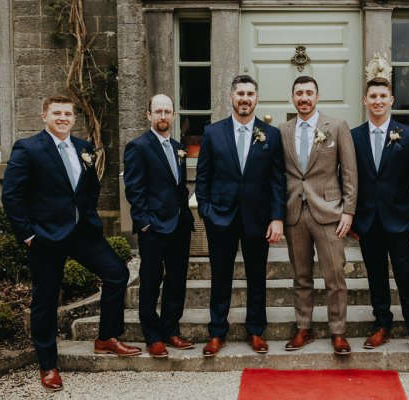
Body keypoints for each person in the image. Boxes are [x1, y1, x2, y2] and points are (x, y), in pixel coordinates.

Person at [2, 95, 141, 392]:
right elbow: (12, 196)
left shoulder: (83, 148)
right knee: (46, 298)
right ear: (44, 116)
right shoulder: (27, 149)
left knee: (117, 273)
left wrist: (88, 214)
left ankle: (106, 338)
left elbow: (91, 187)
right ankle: (48, 364)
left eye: (67, 113)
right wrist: (28, 235)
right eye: (57, 113)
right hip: (46, 237)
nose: (63, 118)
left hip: (81, 233)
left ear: (73, 118)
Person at [195, 75, 286, 357]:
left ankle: (256, 331)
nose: (245, 99)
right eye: (240, 94)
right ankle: (217, 332)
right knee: (220, 276)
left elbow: (277, 181)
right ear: (232, 98)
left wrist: (276, 217)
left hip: (257, 219)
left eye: (250, 94)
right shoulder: (212, 132)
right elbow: (203, 178)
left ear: (256, 99)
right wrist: (207, 211)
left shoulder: (270, 135)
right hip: (220, 217)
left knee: (256, 276)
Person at [349, 60, 409, 355]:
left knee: (406, 274)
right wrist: (353, 219)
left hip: (402, 221)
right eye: (373, 97)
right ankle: (382, 324)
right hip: (368, 222)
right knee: (375, 275)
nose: (378, 101)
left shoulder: (407, 136)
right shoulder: (353, 136)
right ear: (365, 101)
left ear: (391, 100)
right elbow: (349, 180)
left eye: (383, 96)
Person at [279, 76, 357, 355]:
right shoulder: (282, 130)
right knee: (301, 276)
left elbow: (349, 173)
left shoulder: (336, 127)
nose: (304, 97)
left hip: (329, 213)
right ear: (292, 97)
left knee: (334, 275)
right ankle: (304, 328)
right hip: (294, 214)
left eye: (308, 92)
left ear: (317, 96)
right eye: (298, 92)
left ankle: (338, 331)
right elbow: (281, 174)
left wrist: (348, 212)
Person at [123, 94, 195, 359]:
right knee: (150, 281)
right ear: (149, 115)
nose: (163, 116)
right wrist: (143, 223)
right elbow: (134, 189)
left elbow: (177, 187)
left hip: (179, 225)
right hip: (152, 227)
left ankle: (171, 330)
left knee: (176, 280)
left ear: (174, 115)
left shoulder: (178, 146)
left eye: (168, 112)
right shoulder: (138, 147)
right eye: (158, 111)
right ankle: (152, 336)